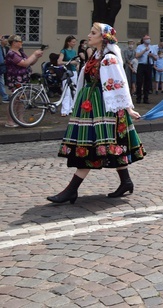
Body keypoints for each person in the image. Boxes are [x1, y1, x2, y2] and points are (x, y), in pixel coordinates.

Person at [47, 23, 146, 204]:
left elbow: (118, 83)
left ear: (103, 37)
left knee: (92, 147)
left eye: (93, 33)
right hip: (93, 105)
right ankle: (126, 181)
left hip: (104, 108)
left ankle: (71, 190)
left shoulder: (108, 59)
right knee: (111, 145)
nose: (89, 35)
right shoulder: (97, 55)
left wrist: (128, 108)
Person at [4, 35, 44, 128]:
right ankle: (10, 121)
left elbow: (30, 62)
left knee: (22, 99)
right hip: (15, 79)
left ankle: (19, 119)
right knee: (15, 99)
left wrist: (36, 57)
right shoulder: (11, 53)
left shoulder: (20, 52)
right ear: (14, 43)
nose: (21, 43)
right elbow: (24, 63)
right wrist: (34, 54)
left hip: (23, 78)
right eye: (20, 42)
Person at [134, 35, 157, 104]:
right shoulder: (140, 47)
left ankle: (146, 98)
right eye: (146, 39)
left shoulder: (152, 47)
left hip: (149, 65)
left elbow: (156, 58)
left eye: (149, 39)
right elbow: (137, 55)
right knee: (139, 82)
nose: (148, 40)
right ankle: (138, 98)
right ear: (143, 40)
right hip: (141, 65)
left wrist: (152, 55)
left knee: (147, 82)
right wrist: (144, 51)